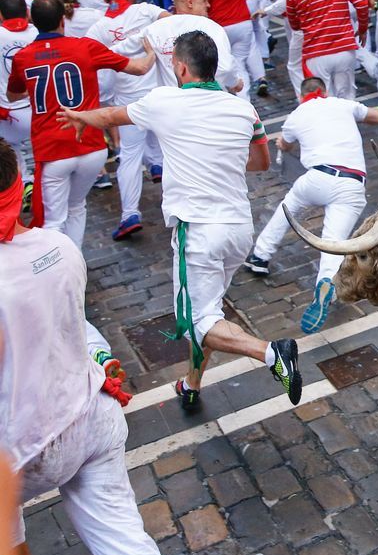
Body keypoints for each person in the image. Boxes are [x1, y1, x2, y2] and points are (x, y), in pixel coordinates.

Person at [58, 30, 304, 412]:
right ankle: (191, 384)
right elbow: (260, 164)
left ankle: (273, 353)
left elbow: (109, 116)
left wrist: (77, 116)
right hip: (239, 228)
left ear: (182, 67)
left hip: (199, 230)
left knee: (195, 320)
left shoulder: (163, 101)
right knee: (209, 313)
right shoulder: (243, 108)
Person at [0, 143, 182, 555]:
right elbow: (74, 324)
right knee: (130, 553)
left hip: (21, 452)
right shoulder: (59, 247)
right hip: (90, 419)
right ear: (18, 187)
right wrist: (100, 357)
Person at [245, 76, 378, 333]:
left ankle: (260, 255)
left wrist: (283, 144)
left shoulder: (296, 115)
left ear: (302, 95)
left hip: (317, 177)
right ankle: (325, 283)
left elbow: (286, 144)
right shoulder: (343, 104)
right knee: (333, 240)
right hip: (352, 183)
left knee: (288, 209)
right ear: (324, 91)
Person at [7, 0, 153, 248]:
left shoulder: (23, 57)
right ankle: (76, 266)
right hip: (91, 144)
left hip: (52, 147)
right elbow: (138, 68)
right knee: (77, 207)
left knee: (53, 219)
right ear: (62, 20)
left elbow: (13, 94)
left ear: (34, 22)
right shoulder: (85, 46)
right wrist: (151, 51)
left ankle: (58, 273)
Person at [86, 0, 168, 240]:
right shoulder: (144, 10)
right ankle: (177, 197)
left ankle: (130, 214)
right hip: (158, 93)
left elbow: (88, 57)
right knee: (171, 147)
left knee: (130, 156)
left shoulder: (98, 26)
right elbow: (168, 19)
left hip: (129, 101)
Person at [284, 0, 368, 99]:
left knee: (324, 101)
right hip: (345, 49)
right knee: (348, 99)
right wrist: (362, 29)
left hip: (316, 53)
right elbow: (362, 2)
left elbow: (295, 25)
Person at [134, 0, 243, 92]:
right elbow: (225, 68)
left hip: (170, 103)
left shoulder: (153, 30)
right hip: (206, 100)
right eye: (204, 0)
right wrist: (234, 82)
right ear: (190, 2)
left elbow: (120, 54)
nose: (208, 5)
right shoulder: (210, 27)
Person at [0, 0, 36, 207]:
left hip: (8, 111)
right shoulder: (37, 32)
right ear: (27, 12)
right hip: (37, 108)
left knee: (13, 157)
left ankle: (23, 187)